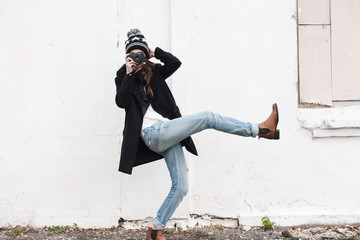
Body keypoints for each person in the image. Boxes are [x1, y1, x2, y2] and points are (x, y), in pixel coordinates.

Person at [114, 28, 280, 240]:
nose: (137, 59)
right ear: (127, 57)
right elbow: (121, 102)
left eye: (140, 54)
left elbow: (175, 63)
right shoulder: (123, 77)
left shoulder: (153, 72)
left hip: (167, 132)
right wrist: (128, 73)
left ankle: (155, 230)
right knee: (207, 117)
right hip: (153, 134)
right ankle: (260, 130)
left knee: (181, 187)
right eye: (133, 55)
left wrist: (154, 51)